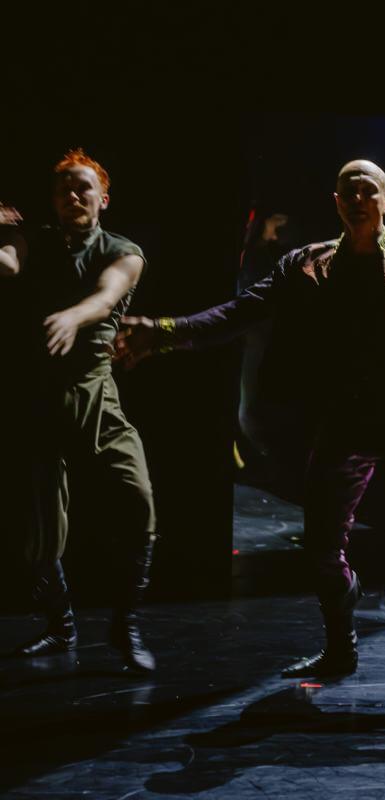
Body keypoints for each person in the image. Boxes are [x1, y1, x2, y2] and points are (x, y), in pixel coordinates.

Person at [115, 159, 385, 689]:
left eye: (367, 190)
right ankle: (339, 649)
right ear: (336, 202)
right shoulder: (306, 265)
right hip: (342, 424)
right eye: (348, 191)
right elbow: (241, 312)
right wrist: (166, 330)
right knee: (323, 543)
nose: (358, 198)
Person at [0, 149, 157, 672]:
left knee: (136, 498)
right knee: (39, 529)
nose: (73, 196)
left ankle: (126, 625)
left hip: (94, 392)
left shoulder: (122, 250)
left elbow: (108, 296)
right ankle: (59, 625)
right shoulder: (34, 240)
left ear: (102, 198)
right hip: (36, 398)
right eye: (63, 189)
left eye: (82, 188)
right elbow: (8, 262)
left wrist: (73, 316)